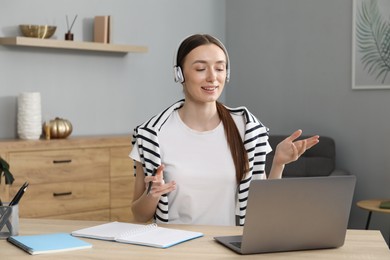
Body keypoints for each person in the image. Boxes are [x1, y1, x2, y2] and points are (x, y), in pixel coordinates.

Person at [130, 34, 319, 226]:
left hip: (224, 249)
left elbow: (262, 209)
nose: (212, 77)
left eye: (220, 68)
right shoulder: (151, 135)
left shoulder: (247, 128)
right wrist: (152, 195)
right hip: (174, 249)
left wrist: (278, 164)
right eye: (201, 69)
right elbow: (139, 216)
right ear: (180, 74)